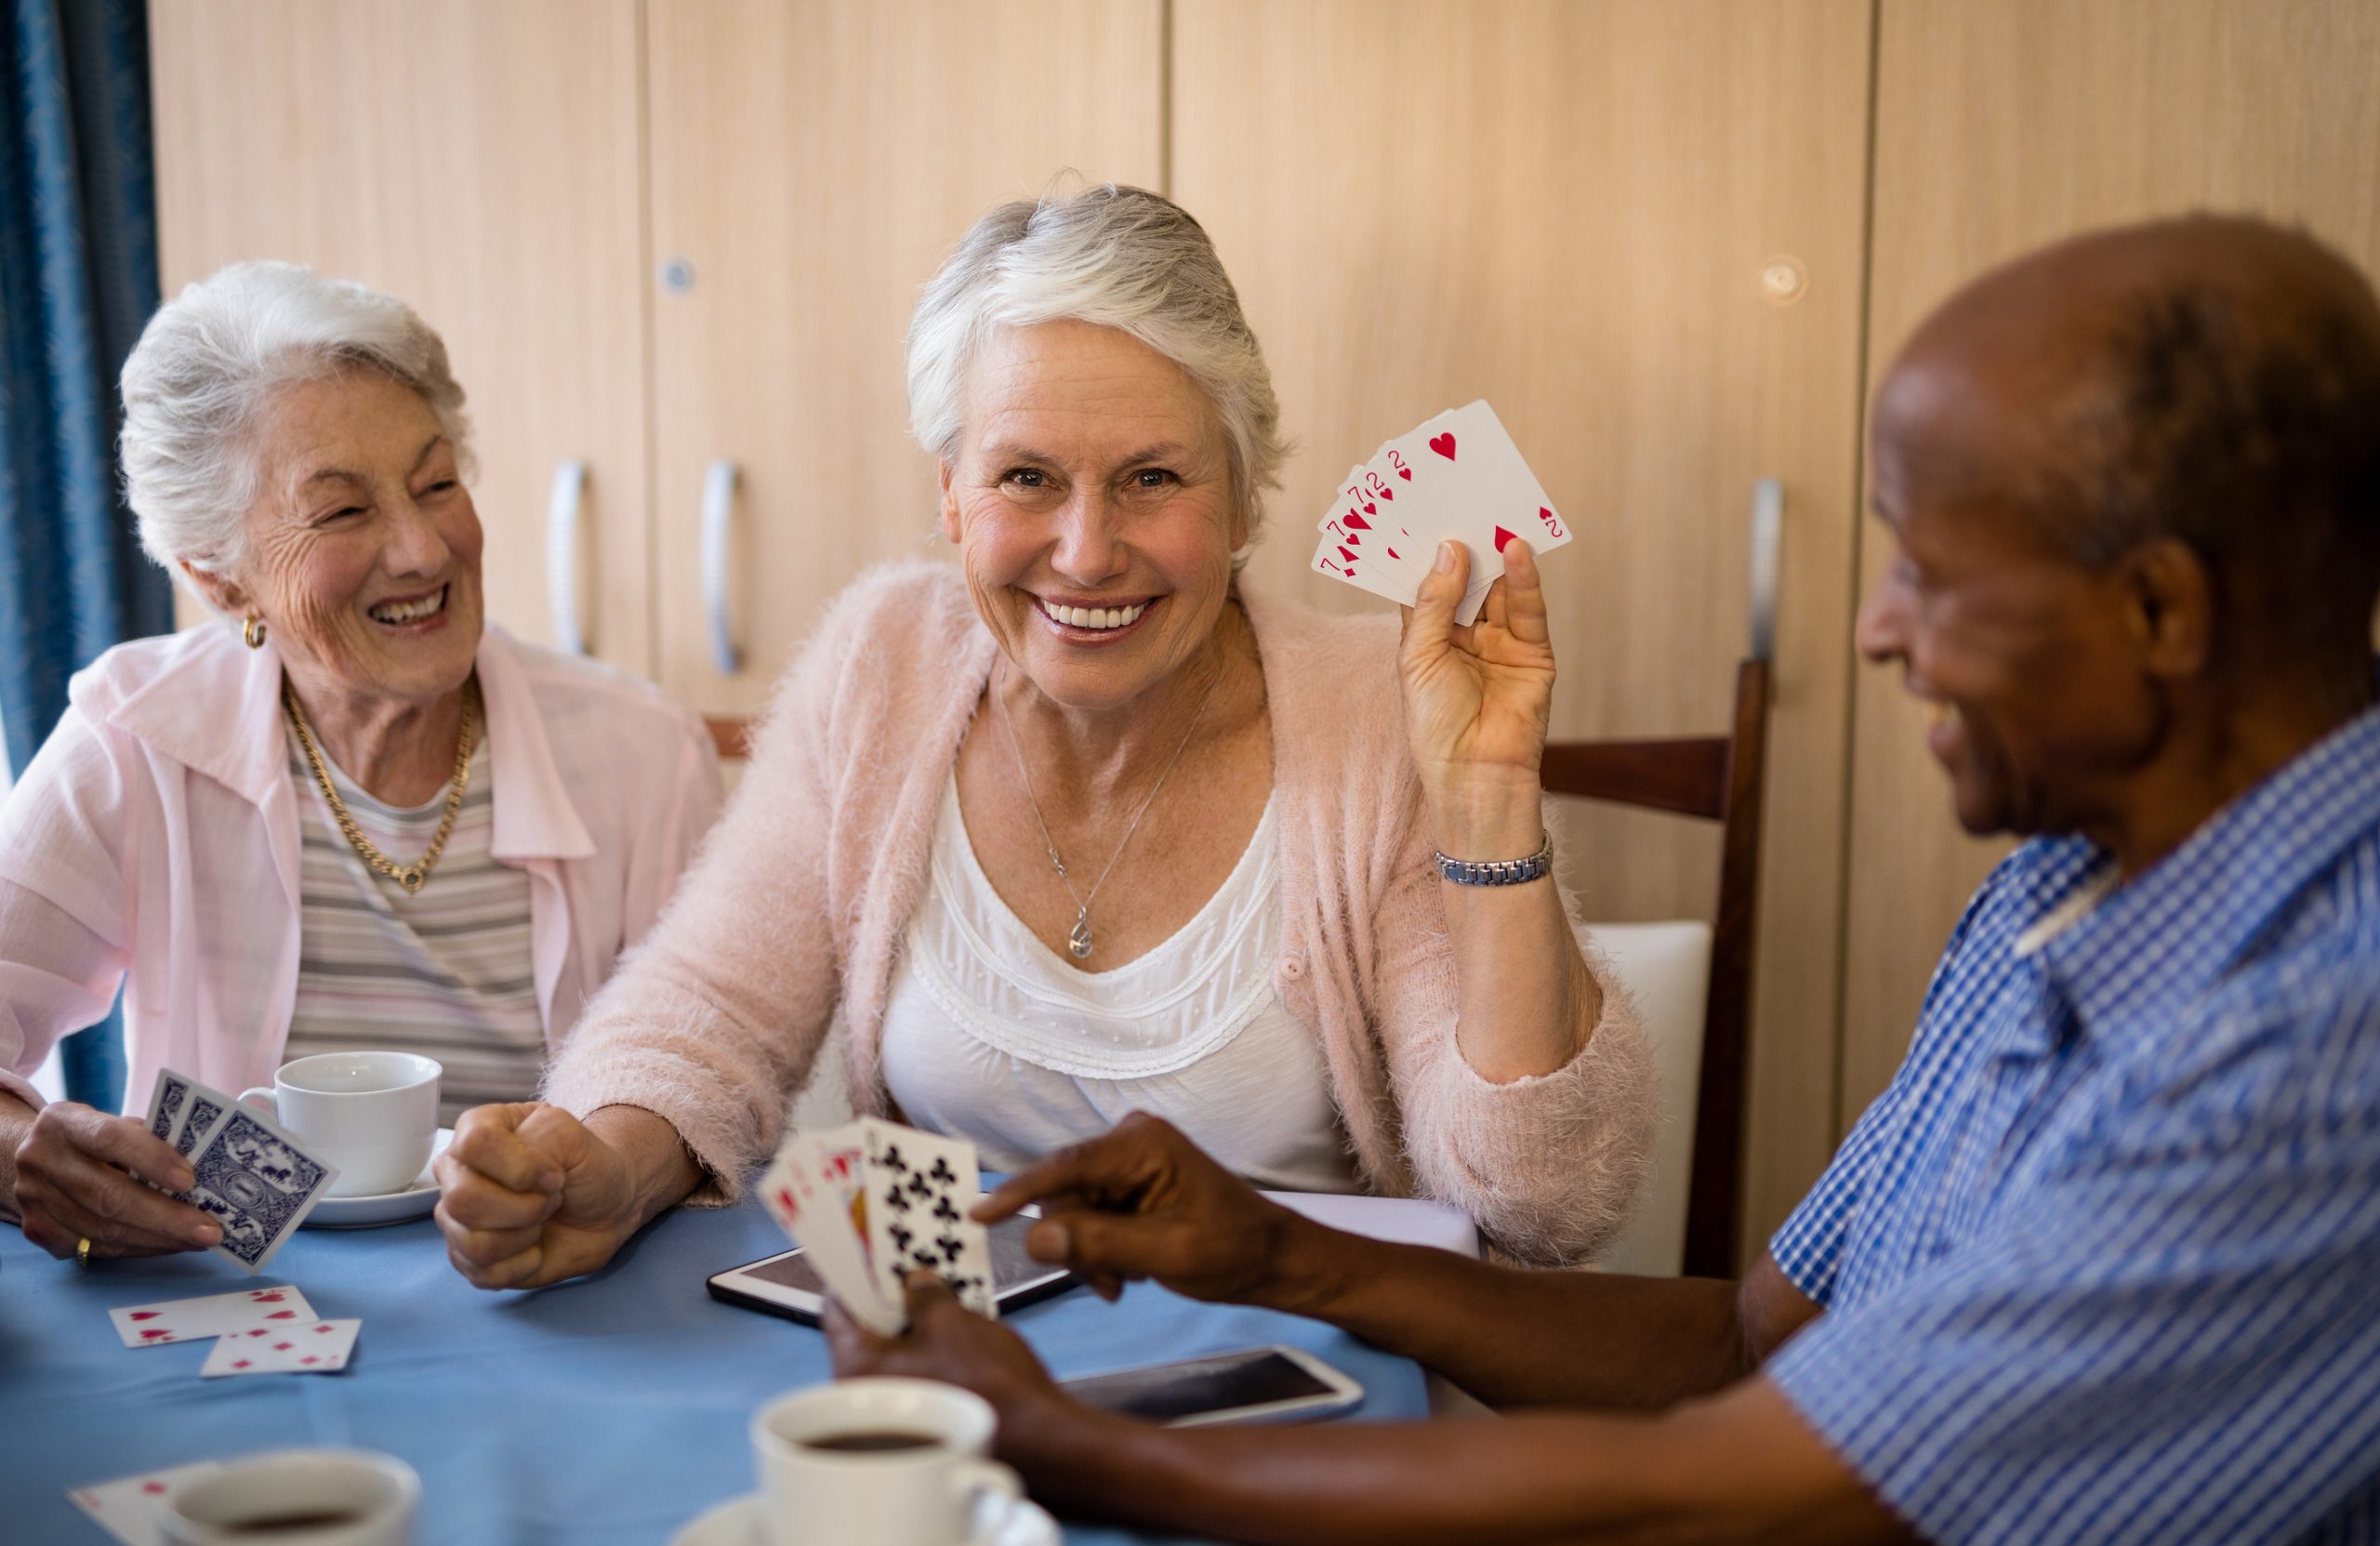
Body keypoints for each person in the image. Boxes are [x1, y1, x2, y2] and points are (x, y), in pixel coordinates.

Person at [828, 214, 2380, 1546]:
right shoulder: (2063, 884)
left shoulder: (2332, 1037)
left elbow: (1711, 1515)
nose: (1876, 629)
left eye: (1930, 568)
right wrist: (1289, 1255)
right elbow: (1749, 1349)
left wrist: (1069, 1442)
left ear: (2162, 608)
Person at [432, 183, 1656, 1290]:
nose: (1084, 551)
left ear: (1243, 501)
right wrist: (598, 1151)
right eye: (1026, 477)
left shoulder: (1370, 709)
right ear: (950, 493)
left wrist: (1491, 808)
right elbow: (707, 1009)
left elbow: (1539, 1204)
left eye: (1151, 478)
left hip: (1281, 1393)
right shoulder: (883, 661)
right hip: (947, 1382)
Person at [0, 262, 723, 1264]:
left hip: (548, 1291)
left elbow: (706, 1083)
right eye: (343, 513)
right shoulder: (137, 738)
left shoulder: (644, 754)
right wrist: (17, 1151)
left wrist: (614, 1166)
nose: (424, 550)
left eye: (436, 484)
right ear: (219, 576)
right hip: (235, 1300)